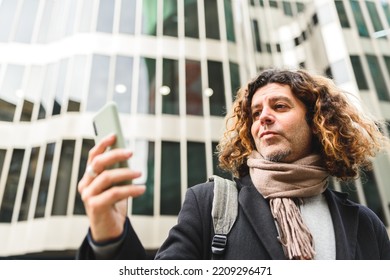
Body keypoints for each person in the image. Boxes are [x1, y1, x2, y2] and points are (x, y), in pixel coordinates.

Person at [77, 68, 390, 260]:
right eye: (255, 114)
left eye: (279, 106)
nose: (263, 117)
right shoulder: (208, 203)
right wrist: (109, 240)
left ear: (317, 122)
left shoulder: (365, 225)